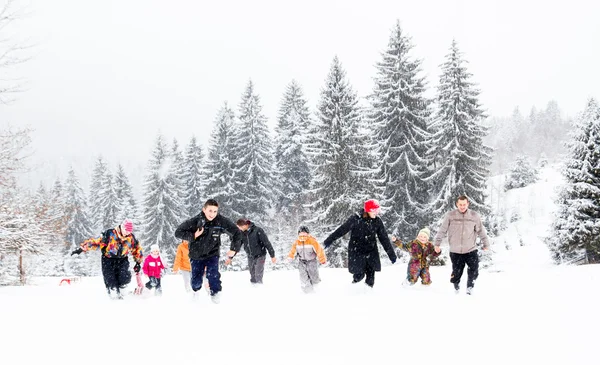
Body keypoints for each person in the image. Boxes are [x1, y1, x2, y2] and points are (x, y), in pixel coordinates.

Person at [174, 199, 243, 303]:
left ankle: (216, 295)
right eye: (210, 211)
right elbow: (178, 232)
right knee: (196, 283)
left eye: (215, 211)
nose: (212, 214)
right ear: (204, 209)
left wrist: (234, 249)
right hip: (196, 255)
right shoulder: (195, 221)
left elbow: (237, 233)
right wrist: (194, 235)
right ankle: (195, 291)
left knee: (213, 274)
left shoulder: (220, 221)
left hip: (212, 254)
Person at [323, 199, 397, 288]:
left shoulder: (377, 221)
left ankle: (368, 296)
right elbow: (341, 230)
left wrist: (391, 255)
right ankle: (354, 292)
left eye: (377, 210)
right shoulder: (355, 219)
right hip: (357, 252)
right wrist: (329, 240)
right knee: (359, 276)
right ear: (367, 210)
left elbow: (384, 239)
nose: (376, 213)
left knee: (370, 279)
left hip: (371, 252)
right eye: (374, 210)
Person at [71, 218, 143, 299]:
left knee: (125, 277)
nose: (127, 233)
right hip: (108, 260)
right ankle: (113, 295)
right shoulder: (110, 234)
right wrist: (82, 248)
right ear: (122, 227)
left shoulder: (131, 238)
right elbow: (96, 242)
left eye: (129, 231)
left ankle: (123, 294)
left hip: (122, 260)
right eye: (126, 230)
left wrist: (138, 262)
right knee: (111, 280)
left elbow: (137, 249)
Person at [433, 195, 490, 294]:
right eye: (460, 204)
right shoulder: (450, 215)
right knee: (456, 273)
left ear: (468, 204)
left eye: (464, 204)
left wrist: (486, 243)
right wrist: (437, 244)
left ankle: (470, 287)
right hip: (455, 251)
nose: (462, 207)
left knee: (474, 270)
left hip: (470, 249)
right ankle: (456, 285)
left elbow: (481, 231)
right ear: (457, 204)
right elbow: (442, 230)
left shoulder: (474, 216)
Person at [235, 218, 276, 285]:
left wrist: (272, 255)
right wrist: (232, 255)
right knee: (252, 276)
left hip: (260, 255)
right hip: (250, 256)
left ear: (244, 225)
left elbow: (266, 243)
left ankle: (259, 290)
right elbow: (238, 244)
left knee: (258, 275)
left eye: (239, 227)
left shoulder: (258, 230)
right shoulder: (242, 233)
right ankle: (253, 290)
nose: (239, 229)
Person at [287, 225, 327, 293]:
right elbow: (293, 251)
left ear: (308, 235)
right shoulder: (296, 243)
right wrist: (290, 257)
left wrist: (322, 259)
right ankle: (308, 292)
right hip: (302, 262)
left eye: (304, 236)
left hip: (312, 261)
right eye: (300, 236)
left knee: (313, 275)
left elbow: (319, 250)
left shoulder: (312, 241)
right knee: (303, 277)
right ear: (298, 235)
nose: (302, 238)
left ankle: (316, 287)